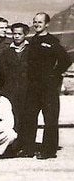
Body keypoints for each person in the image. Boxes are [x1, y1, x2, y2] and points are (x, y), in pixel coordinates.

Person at [17, 12, 72, 159]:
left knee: (50, 118)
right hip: (33, 86)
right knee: (29, 117)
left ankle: (49, 150)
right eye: (34, 22)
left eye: (40, 22)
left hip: (48, 86)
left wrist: (55, 75)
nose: (36, 25)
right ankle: (28, 148)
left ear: (47, 24)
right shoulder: (32, 40)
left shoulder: (52, 41)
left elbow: (66, 59)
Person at [0, 22, 30, 135]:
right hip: (10, 91)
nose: (16, 36)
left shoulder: (31, 51)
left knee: (26, 118)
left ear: (25, 34)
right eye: (14, 34)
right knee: (12, 118)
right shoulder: (6, 52)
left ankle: (25, 147)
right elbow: (1, 72)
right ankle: (13, 146)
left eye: (19, 34)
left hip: (27, 91)